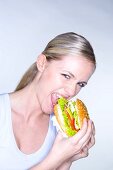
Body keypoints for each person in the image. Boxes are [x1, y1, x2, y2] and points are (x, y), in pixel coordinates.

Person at [0, 32, 96, 170]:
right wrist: (56, 158)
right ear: (42, 63)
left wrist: (67, 160)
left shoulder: (60, 131)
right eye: (66, 76)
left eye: (80, 84)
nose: (71, 92)